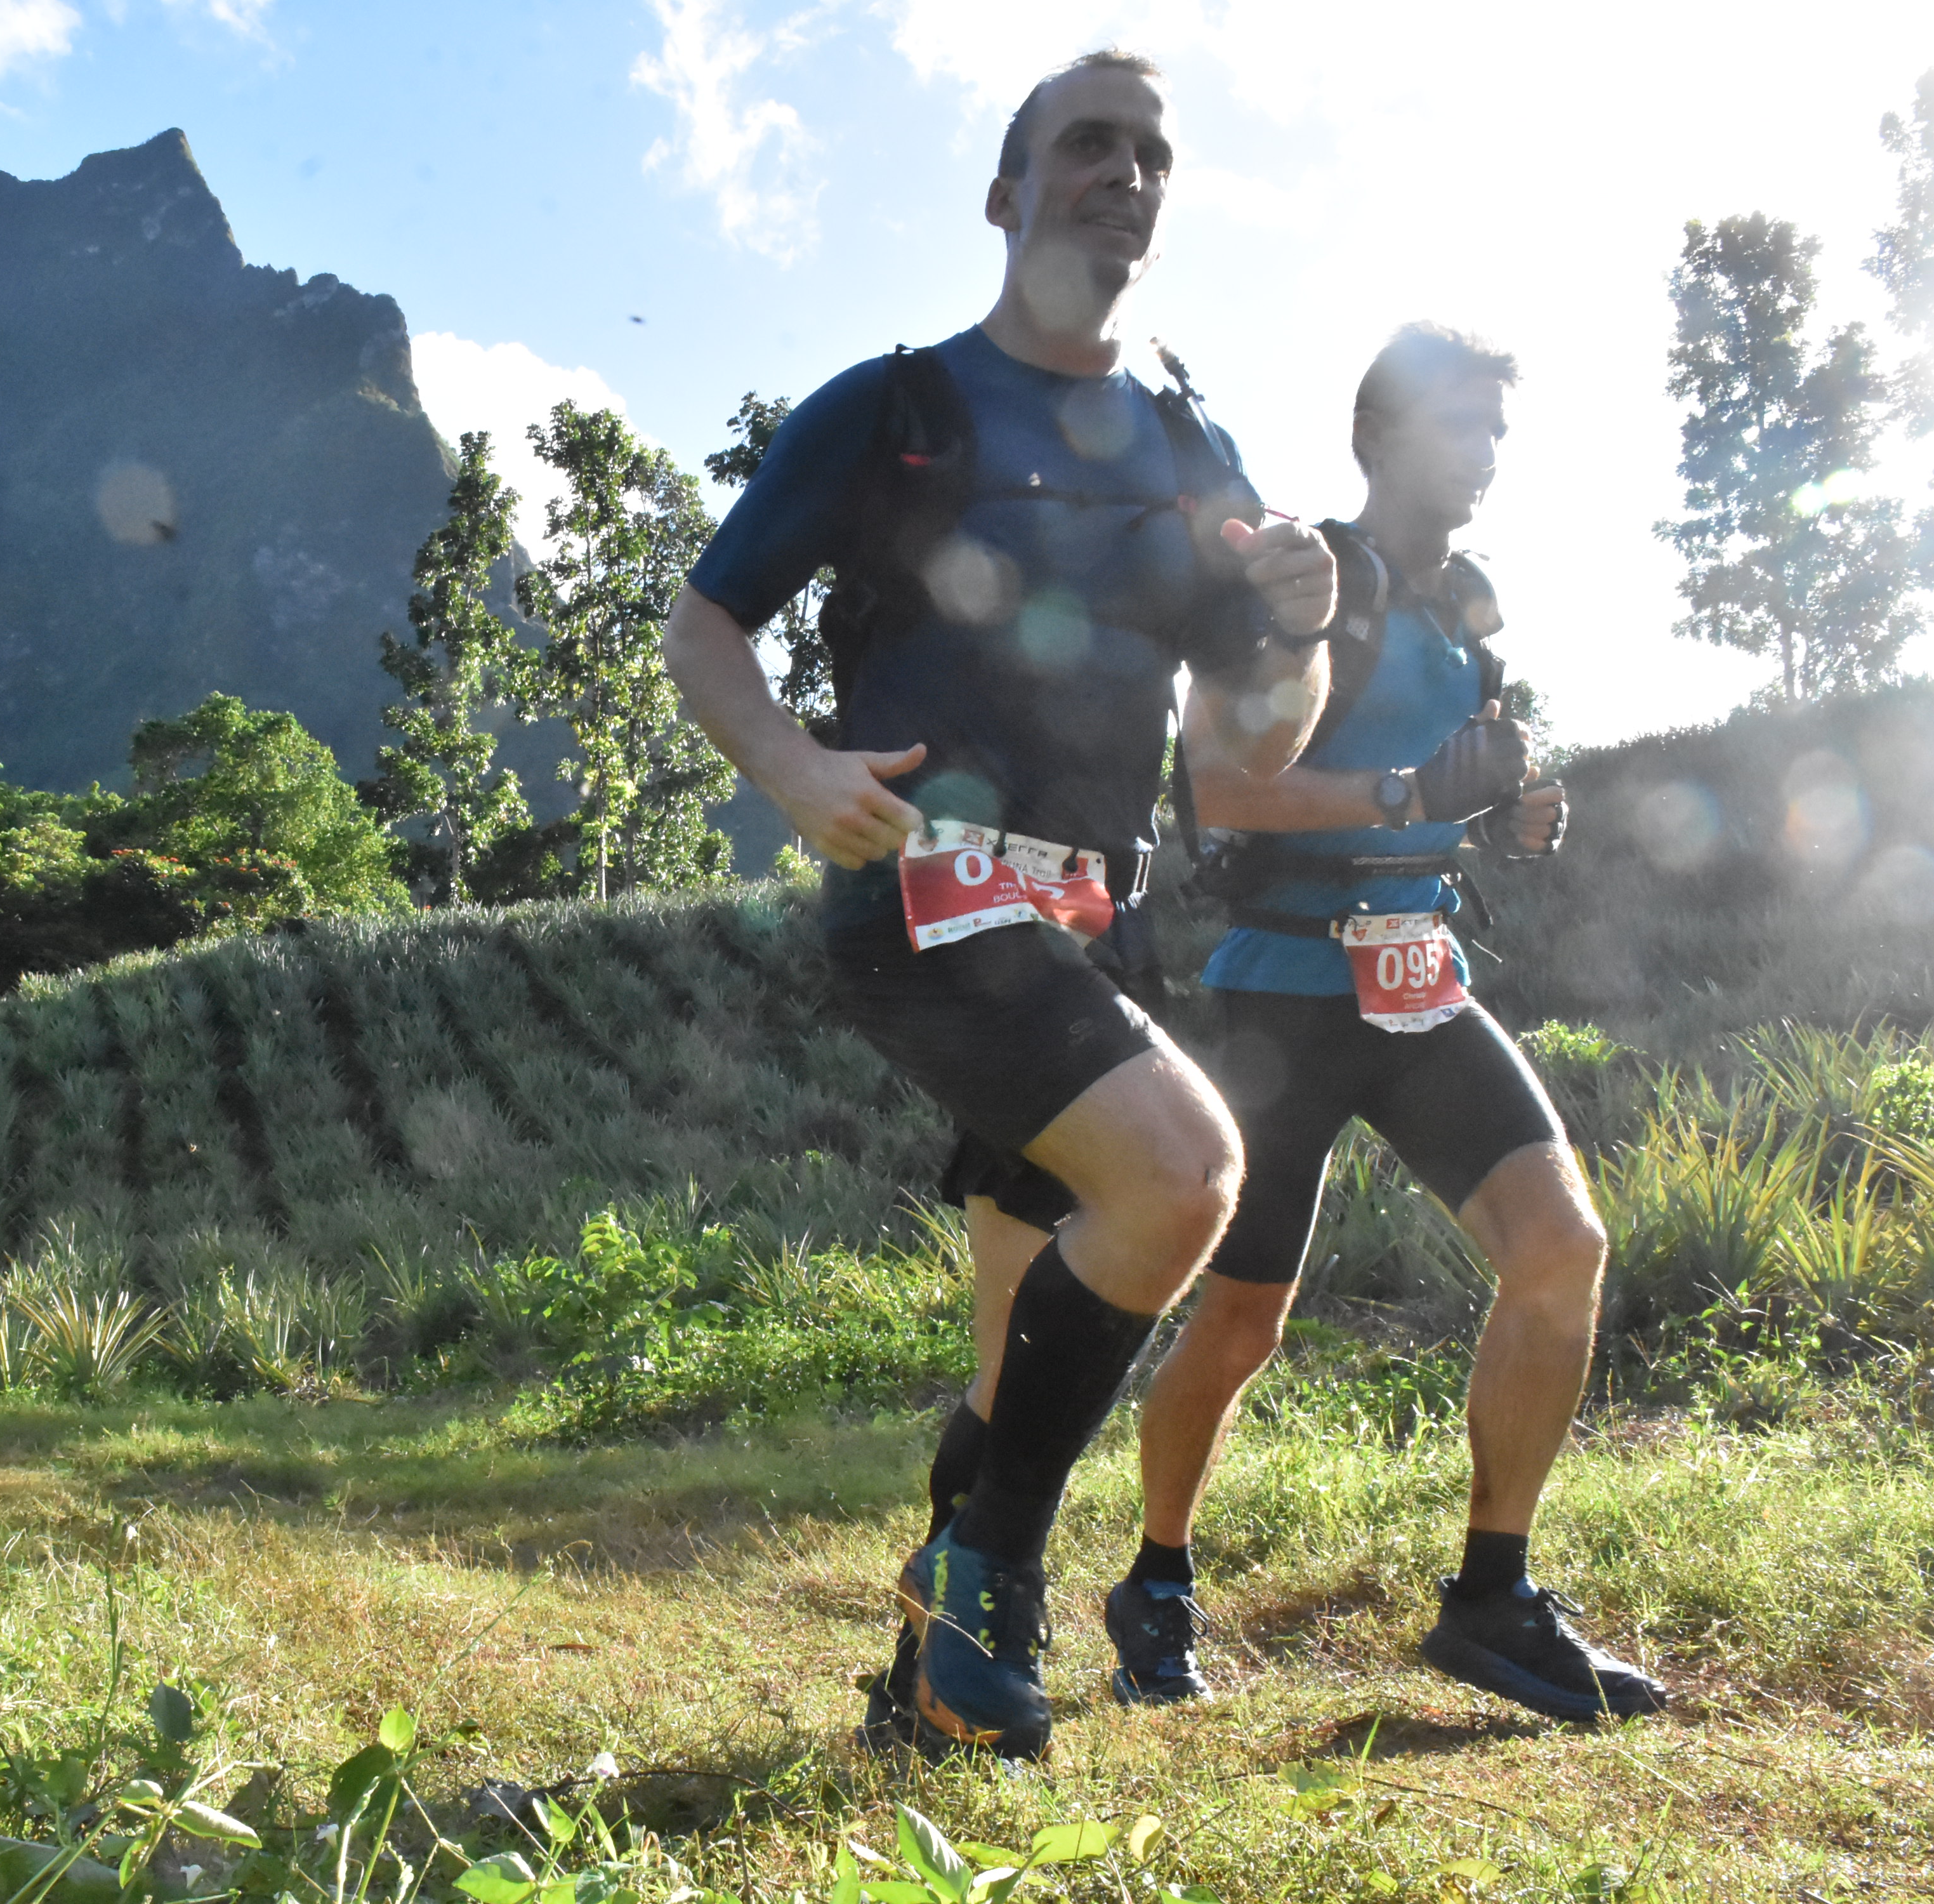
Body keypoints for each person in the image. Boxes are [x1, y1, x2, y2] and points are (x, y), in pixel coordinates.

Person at [663, 48, 1338, 1761]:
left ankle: (923, 1686)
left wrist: (1302, 631)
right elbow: (706, 624)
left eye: (1152, 156)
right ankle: (993, 1576)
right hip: (928, 890)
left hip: (1095, 923)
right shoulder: (894, 410)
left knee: (1015, 1345)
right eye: (1087, 146)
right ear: (1007, 191)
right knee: (1185, 1172)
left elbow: (1249, 747)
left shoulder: (1196, 447)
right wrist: (798, 772)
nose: (1125, 175)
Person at [1093, 324, 1667, 1722]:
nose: (1483, 453)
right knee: (1238, 1323)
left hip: (1420, 980)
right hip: (1281, 989)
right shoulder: (1301, 587)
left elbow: (1463, 786)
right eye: (1458, 424)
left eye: (1497, 430)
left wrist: (1514, 810)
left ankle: (1491, 1599)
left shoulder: (1465, 611)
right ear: (1378, 434)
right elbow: (1220, 792)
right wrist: (1416, 792)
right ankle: (1155, 1580)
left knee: (1560, 1249)